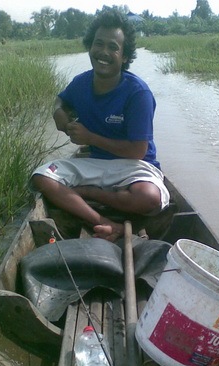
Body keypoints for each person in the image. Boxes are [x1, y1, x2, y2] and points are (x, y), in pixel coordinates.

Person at [31, 9, 169, 242]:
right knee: (41, 177)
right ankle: (104, 222)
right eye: (99, 44)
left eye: (113, 47)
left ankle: (85, 193)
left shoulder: (138, 93)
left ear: (124, 56)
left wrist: (90, 138)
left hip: (134, 166)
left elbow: (138, 151)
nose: (104, 52)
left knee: (149, 198)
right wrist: (59, 114)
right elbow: (61, 100)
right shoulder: (81, 83)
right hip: (94, 163)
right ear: (90, 47)